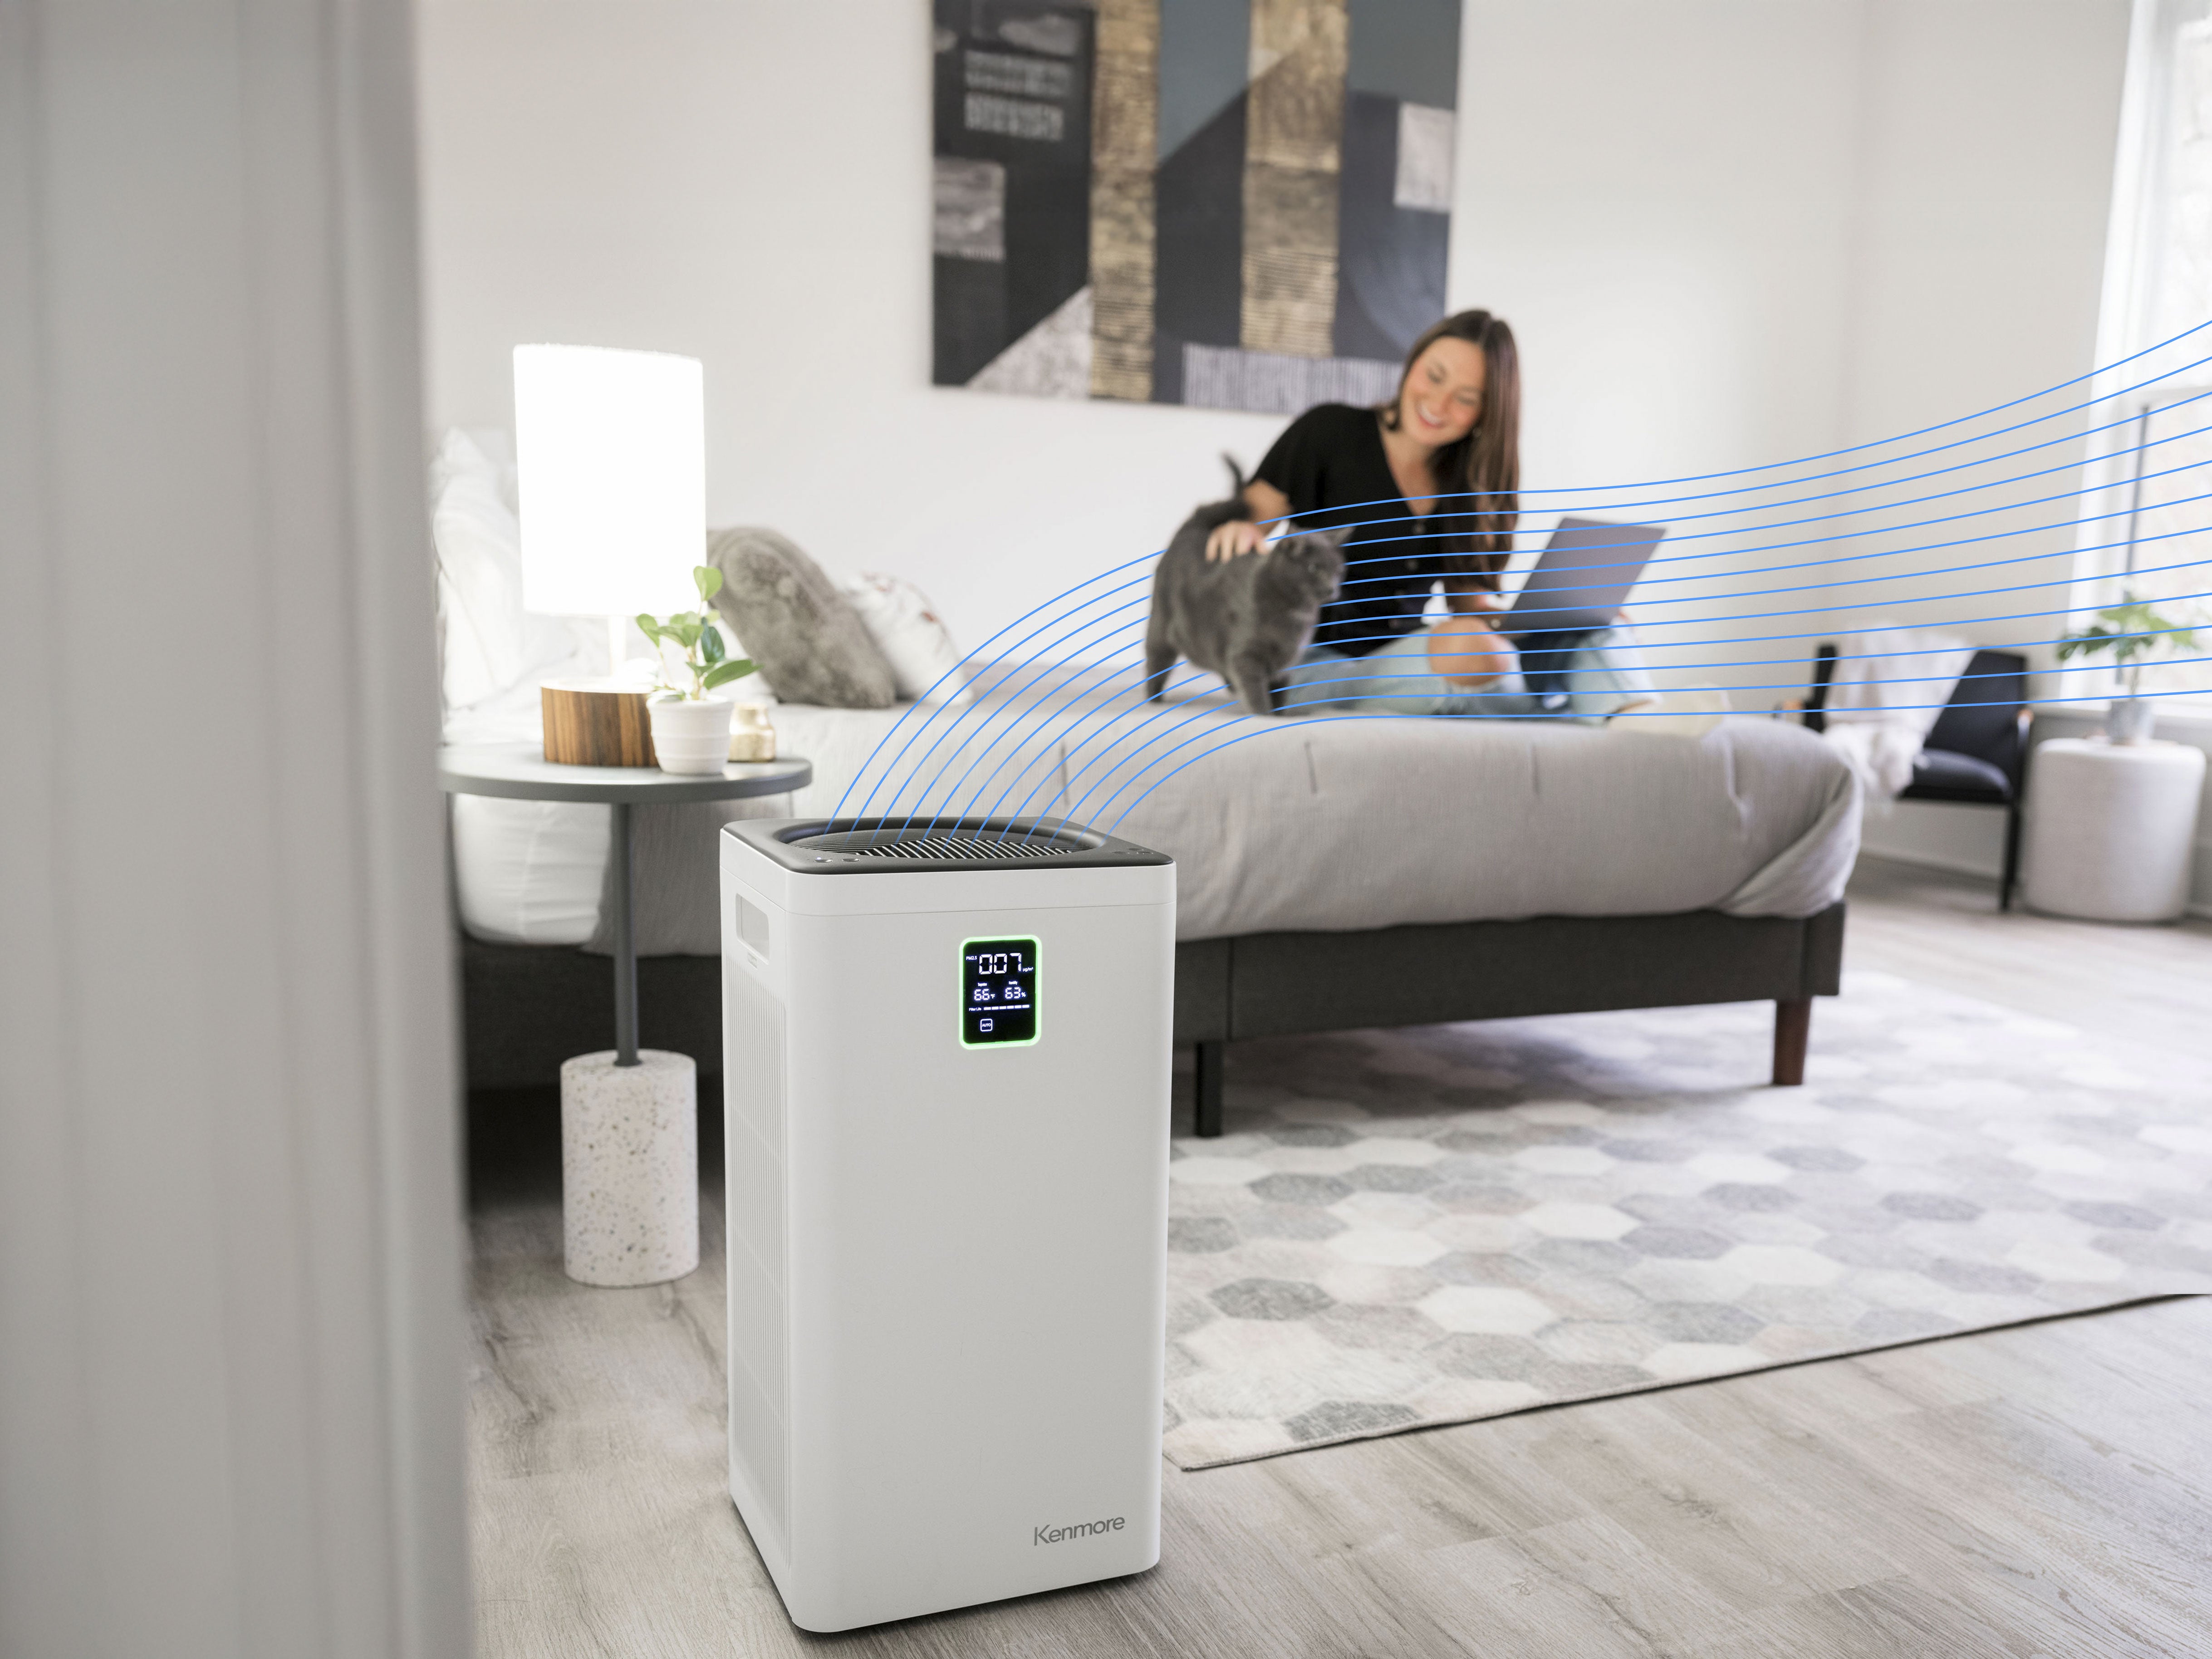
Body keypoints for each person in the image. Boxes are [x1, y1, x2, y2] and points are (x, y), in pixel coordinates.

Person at [1207, 309, 1525, 715]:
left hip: (1403, 655)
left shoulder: (1475, 482)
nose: (1438, 404)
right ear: (1413, 364)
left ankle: (1622, 719)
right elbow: (1251, 518)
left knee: (1594, 634)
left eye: (1464, 399)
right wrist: (1242, 531)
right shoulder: (1328, 432)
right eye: (1433, 376)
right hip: (1301, 658)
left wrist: (1529, 620)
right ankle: (1511, 704)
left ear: (1487, 413)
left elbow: (1468, 601)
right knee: (1485, 664)